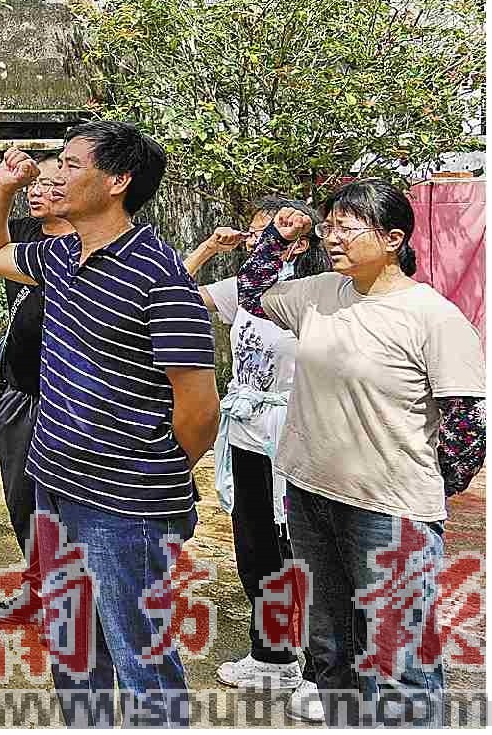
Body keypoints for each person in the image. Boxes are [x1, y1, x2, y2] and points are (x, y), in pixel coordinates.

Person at [0, 124, 218, 726]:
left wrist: (146, 465)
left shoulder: (161, 276)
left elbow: (200, 412)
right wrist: (3, 189)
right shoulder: (59, 254)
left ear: (116, 182)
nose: (52, 173)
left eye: (70, 163)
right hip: (54, 487)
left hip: (124, 505)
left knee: (140, 655)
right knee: (73, 645)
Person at [242, 184, 486, 726]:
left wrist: (422, 488)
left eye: (347, 226)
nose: (332, 236)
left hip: (390, 513)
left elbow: (467, 427)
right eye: (329, 225)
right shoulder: (320, 294)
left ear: (394, 238)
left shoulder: (433, 317)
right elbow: (251, 292)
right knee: (329, 651)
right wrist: (274, 241)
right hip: (310, 497)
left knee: (398, 661)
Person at [181, 197, 322, 695]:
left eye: (265, 236)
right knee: (255, 544)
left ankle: (319, 666)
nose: (254, 245)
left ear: (297, 241)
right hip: (245, 431)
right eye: (254, 235)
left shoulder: (315, 294)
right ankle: (272, 653)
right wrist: (206, 248)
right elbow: (173, 295)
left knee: (298, 547)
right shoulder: (243, 289)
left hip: (294, 430)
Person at [0, 153, 67, 565]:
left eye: (50, 183)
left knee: (63, 503)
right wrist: (8, 185)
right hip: (20, 389)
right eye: (35, 185)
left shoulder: (88, 245)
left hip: (65, 394)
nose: (39, 192)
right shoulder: (21, 234)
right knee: (21, 496)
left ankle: (64, 593)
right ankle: (37, 581)